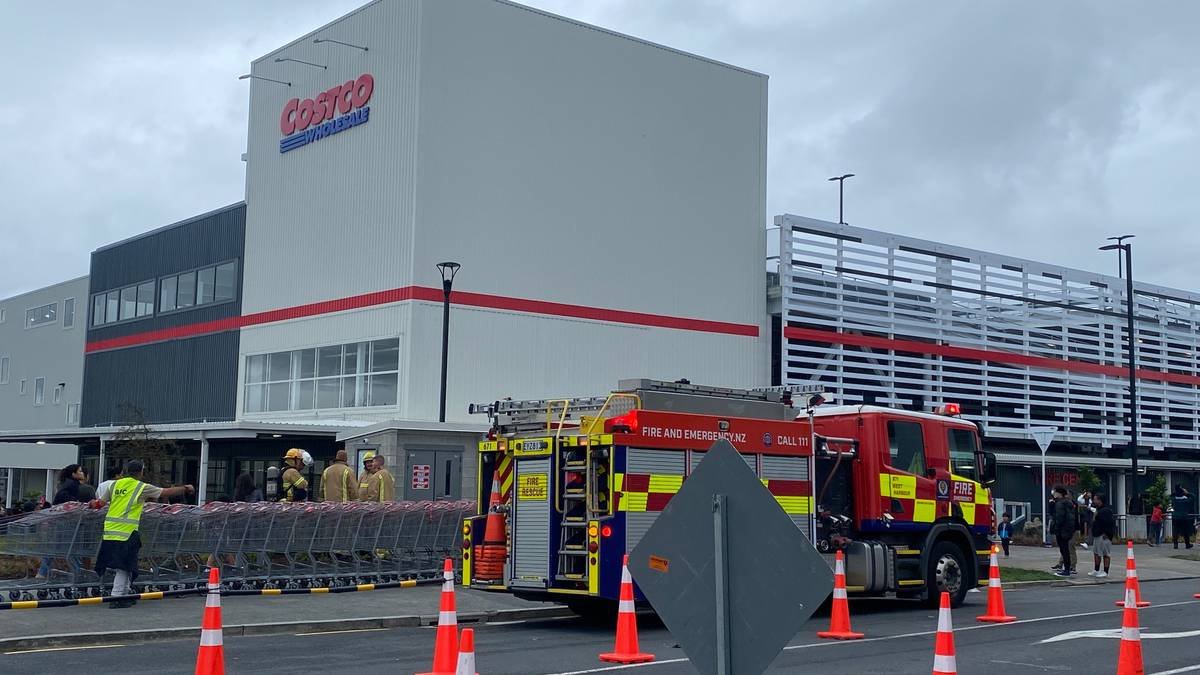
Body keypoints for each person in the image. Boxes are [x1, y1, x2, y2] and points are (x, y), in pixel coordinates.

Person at [96, 460, 194, 608]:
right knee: (124, 566)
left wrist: (92, 504)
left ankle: (125, 593)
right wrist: (185, 488)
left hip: (110, 531)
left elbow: (100, 503)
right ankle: (116, 597)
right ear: (140, 472)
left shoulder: (114, 485)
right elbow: (164, 492)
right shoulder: (141, 487)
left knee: (123, 565)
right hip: (126, 532)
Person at [36, 464, 93, 580]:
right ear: (74, 474)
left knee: (56, 548)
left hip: (60, 521)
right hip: (70, 522)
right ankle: (77, 574)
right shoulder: (76, 487)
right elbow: (71, 503)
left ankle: (42, 572)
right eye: (80, 471)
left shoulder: (65, 485)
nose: (82, 473)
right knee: (72, 550)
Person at [1050, 485, 1075, 577]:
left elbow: (1059, 517)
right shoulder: (1067, 503)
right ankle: (1067, 568)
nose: (1053, 494)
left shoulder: (1060, 504)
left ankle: (1066, 570)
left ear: (1059, 493)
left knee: (1064, 550)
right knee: (1065, 550)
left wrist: (1056, 528)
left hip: (1061, 530)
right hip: (1067, 530)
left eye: (1055, 492)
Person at [1089, 493, 1115, 578]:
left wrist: (1107, 534)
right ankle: (1096, 570)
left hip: (1104, 536)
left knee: (1105, 553)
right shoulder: (1098, 510)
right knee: (1096, 553)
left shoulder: (1106, 511)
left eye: (1095, 499)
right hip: (1097, 534)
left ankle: (1105, 571)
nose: (1094, 501)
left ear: (1100, 500)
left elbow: (1110, 523)